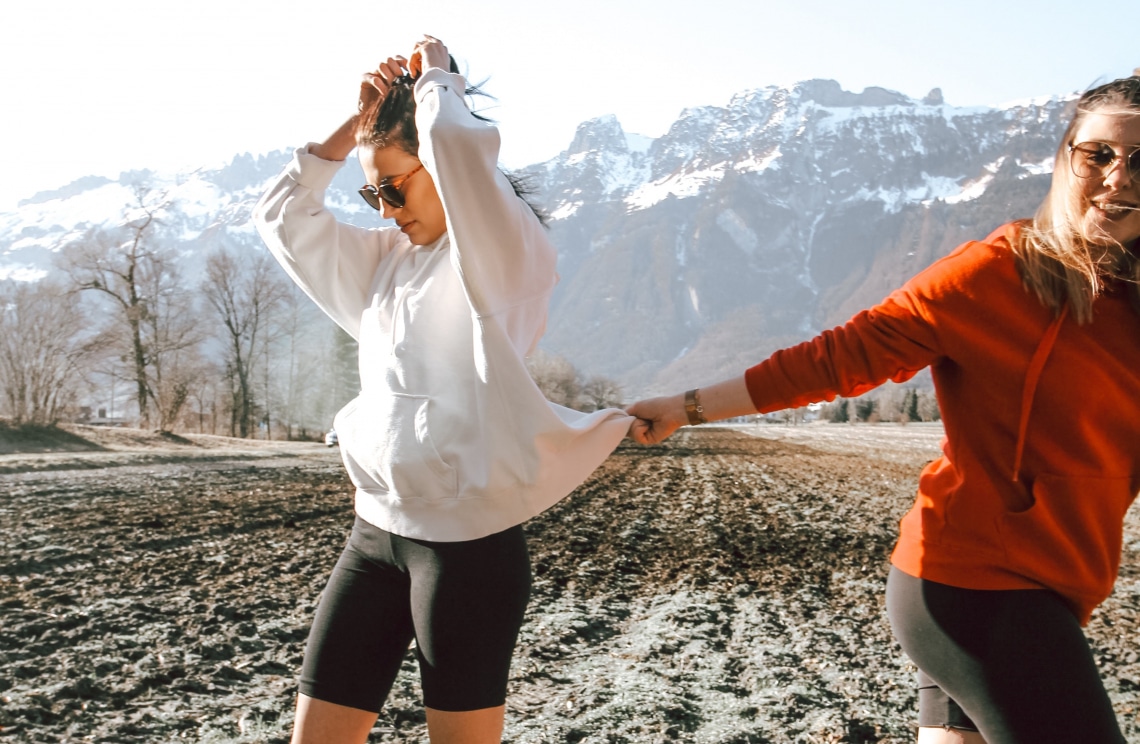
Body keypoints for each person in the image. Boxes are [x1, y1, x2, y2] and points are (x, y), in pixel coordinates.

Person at [627, 74, 1140, 743]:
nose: (1118, 177)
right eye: (1099, 154)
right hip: (975, 584)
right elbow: (834, 359)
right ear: (1066, 156)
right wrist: (686, 407)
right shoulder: (994, 273)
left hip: (1054, 581)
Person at [253, 36, 631, 744]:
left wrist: (436, 82)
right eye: (373, 192)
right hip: (374, 537)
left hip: (466, 554)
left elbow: (462, 155)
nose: (384, 209)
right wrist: (360, 121)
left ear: (436, 162)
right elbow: (282, 215)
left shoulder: (503, 255)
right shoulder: (385, 262)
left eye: (395, 187)